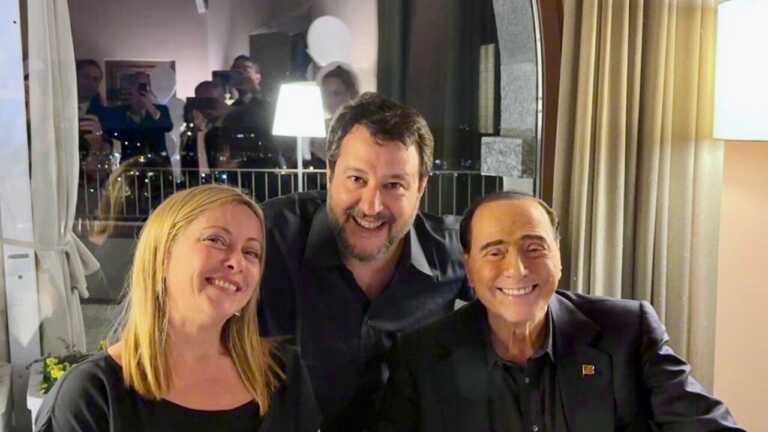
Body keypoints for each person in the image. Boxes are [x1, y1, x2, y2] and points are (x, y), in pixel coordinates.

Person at [376, 191, 744, 432]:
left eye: (534, 248)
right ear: (469, 269)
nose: (517, 269)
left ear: (559, 257)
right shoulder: (422, 357)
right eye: (495, 251)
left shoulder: (628, 331)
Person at [259, 92, 473, 430]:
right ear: (330, 172)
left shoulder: (457, 251)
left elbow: (529, 293)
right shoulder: (266, 238)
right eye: (357, 179)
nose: (372, 206)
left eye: (394, 185)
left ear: (421, 187)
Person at [36, 185, 321, 431]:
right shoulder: (93, 393)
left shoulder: (283, 374)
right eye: (216, 240)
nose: (237, 262)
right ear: (162, 255)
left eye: (251, 252)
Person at [111, 71, 174, 165]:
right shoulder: (120, 111)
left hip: (158, 164)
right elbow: (115, 134)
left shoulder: (161, 109)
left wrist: (150, 107)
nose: (142, 89)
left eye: (146, 85)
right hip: (130, 164)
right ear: (131, 87)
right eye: (139, 85)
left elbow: (168, 126)